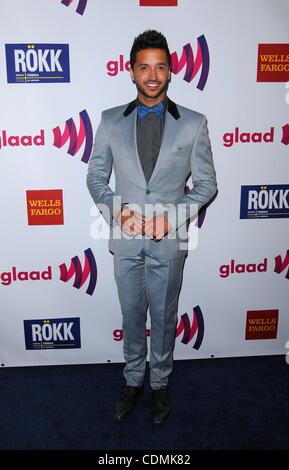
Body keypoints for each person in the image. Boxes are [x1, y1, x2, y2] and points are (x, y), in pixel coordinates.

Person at [87, 30, 217, 424]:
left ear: (170, 72)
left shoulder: (194, 123)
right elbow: (96, 177)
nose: (153, 75)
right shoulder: (110, 120)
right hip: (124, 239)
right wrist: (117, 210)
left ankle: (159, 385)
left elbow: (208, 185)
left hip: (169, 239)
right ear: (131, 72)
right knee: (131, 314)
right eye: (144, 67)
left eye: (160, 66)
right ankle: (133, 380)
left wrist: (172, 217)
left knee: (163, 316)